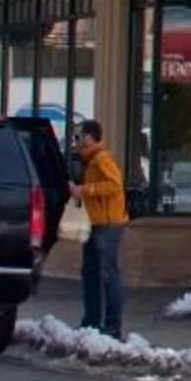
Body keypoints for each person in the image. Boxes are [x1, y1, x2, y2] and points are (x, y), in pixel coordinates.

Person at [70, 119, 129, 340]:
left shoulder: (102, 159)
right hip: (93, 222)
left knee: (108, 273)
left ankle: (113, 326)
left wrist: (84, 190)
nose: (78, 141)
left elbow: (114, 184)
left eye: (80, 136)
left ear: (90, 136)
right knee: (90, 273)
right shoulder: (88, 161)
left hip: (108, 224)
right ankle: (91, 322)